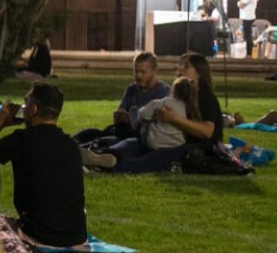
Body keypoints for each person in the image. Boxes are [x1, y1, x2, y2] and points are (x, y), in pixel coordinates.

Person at [0, 82, 86, 250]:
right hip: (76, 236)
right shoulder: (71, 144)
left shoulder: (21, 140)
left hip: (38, 235)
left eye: (26, 103)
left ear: (33, 109)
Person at [80, 54, 223, 173]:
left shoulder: (205, 96)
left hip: (195, 149)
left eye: (186, 66)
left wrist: (174, 119)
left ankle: (105, 168)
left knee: (150, 159)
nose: (180, 69)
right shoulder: (184, 95)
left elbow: (207, 132)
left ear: (199, 72)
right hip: (167, 139)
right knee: (132, 144)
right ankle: (98, 156)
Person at [73, 52, 168, 145]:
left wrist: (133, 121)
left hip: (139, 138)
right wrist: (119, 117)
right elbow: (121, 112)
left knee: (102, 142)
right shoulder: (132, 90)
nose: (138, 76)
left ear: (155, 71)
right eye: (136, 71)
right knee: (88, 133)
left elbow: (159, 126)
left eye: (143, 72)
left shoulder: (164, 93)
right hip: (122, 130)